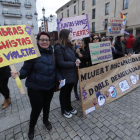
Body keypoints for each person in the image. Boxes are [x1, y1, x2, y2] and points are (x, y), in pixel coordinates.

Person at [11, 31, 62, 140]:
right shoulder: (32, 53)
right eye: (42, 39)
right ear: (37, 41)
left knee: (47, 105)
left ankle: (45, 120)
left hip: (49, 87)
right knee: (36, 109)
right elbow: (25, 69)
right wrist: (19, 74)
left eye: (47, 40)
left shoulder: (52, 53)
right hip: (35, 88)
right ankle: (31, 127)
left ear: (50, 41)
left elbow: (56, 68)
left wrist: (59, 78)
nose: (45, 42)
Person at [54, 29, 81, 118]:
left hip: (71, 74)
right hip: (64, 75)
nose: (72, 36)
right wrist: (73, 64)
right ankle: (64, 109)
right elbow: (60, 63)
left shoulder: (69, 46)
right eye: (70, 35)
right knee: (64, 93)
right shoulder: (58, 47)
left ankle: (69, 107)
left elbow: (72, 57)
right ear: (65, 36)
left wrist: (76, 59)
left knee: (69, 92)